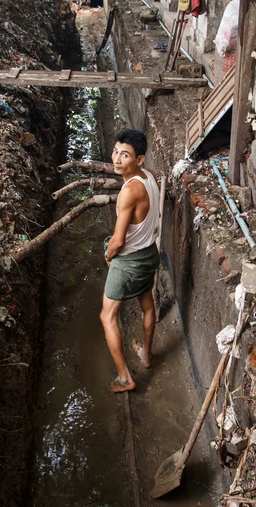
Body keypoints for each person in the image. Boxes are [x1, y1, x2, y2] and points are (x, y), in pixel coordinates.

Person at [100, 129, 161, 393]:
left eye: (125, 155)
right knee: (147, 305)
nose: (117, 159)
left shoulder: (129, 192)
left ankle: (125, 377)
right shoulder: (149, 177)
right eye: (115, 151)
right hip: (149, 254)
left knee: (107, 316)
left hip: (130, 262)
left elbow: (118, 240)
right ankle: (146, 356)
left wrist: (108, 255)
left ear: (139, 159)